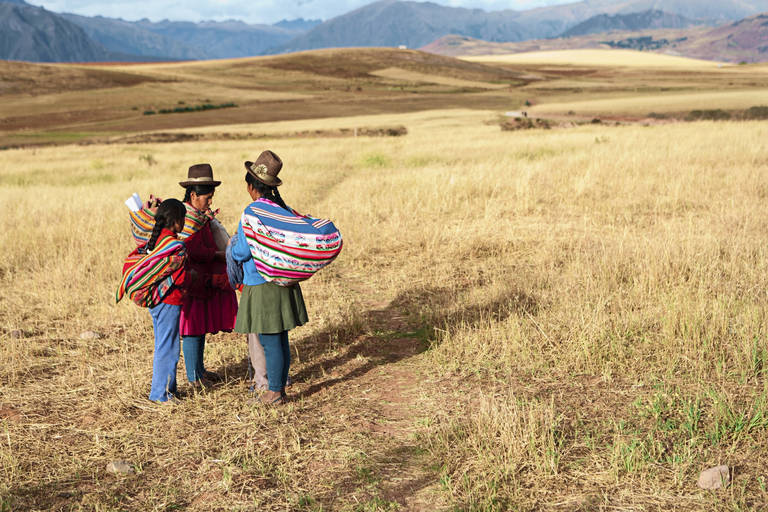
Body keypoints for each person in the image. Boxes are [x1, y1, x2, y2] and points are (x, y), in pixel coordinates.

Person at [230, 150, 308, 405]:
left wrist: (231, 248)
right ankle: (278, 389)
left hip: (261, 284)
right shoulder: (282, 209)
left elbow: (242, 251)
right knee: (280, 338)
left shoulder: (252, 212)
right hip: (283, 282)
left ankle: (274, 392)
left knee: (269, 339)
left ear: (252, 187)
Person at [178, 163, 238, 388]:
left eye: (211, 197)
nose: (210, 202)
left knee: (199, 326)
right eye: (207, 197)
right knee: (192, 328)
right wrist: (218, 255)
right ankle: (194, 378)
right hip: (191, 281)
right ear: (193, 195)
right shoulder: (187, 218)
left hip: (201, 280)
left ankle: (200, 371)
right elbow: (192, 250)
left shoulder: (198, 215)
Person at [143, 199, 189, 403]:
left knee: (165, 344)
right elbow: (178, 277)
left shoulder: (158, 240)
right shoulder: (173, 245)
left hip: (157, 301)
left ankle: (167, 389)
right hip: (169, 300)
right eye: (184, 218)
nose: (185, 222)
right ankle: (161, 394)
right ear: (176, 221)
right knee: (168, 348)